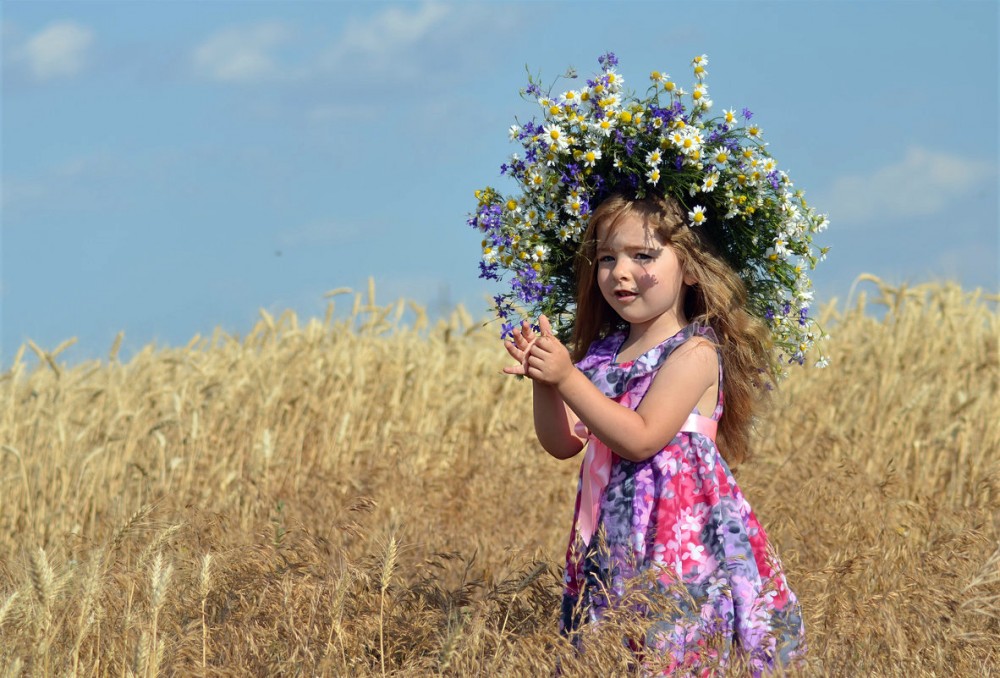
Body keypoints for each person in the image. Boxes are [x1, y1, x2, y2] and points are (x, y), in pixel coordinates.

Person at [502, 192, 806, 674]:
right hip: (617, 536)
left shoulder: (694, 352)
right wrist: (545, 382)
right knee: (616, 647)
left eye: (642, 255)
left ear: (690, 267)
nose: (619, 272)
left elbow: (642, 437)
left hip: (680, 541)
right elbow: (564, 444)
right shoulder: (602, 355)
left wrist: (567, 378)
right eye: (606, 257)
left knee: (674, 649)